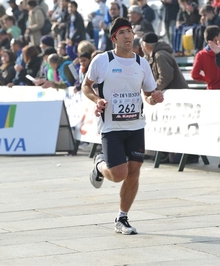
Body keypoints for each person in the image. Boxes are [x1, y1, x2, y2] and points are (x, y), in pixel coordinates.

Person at [82, 17, 164, 235]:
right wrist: (96, 100)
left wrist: (154, 98)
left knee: (134, 172)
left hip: (136, 125)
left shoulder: (141, 63)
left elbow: (147, 95)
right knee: (119, 174)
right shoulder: (102, 61)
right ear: (114, 38)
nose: (128, 36)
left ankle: (122, 217)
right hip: (112, 127)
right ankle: (100, 165)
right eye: (122, 33)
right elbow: (86, 86)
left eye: (130, 31)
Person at [193, 25, 220, 90]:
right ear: (216, 38)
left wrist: (206, 79)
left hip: (211, 90)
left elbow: (194, 74)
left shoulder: (200, 55)